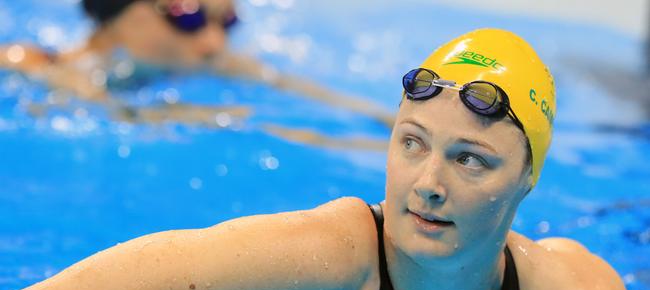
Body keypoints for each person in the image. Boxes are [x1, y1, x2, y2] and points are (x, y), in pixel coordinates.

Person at [0, 28, 628, 290]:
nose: (428, 185)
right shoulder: (309, 266)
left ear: (526, 181)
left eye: (471, 161)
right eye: (412, 143)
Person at [0, 0, 393, 126]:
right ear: (124, 12)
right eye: (188, 15)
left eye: (228, 21)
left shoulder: (212, 60)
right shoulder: (29, 63)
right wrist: (201, 115)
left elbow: (321, 99)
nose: (213, 40)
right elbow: (109, 112)